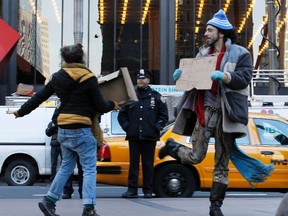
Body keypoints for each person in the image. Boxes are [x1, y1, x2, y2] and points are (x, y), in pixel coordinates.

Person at [159, 9, 253, 216]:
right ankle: (173, 148)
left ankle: (215, 206)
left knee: (222, 162)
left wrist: (224, 76)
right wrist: (181, 76)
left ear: (221, 33)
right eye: (206, 30)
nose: (206, 34)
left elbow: (244, 78)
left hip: (227, 115)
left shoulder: (240, 53)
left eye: (210, 30)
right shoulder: (202, 54)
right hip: (204, 111)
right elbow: (192, 81)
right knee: (195, 156)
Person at [8, 43, 119, 216]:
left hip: (63, 130)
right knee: (89, 168)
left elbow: (39, 97)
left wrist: (20, 112)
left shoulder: (58, 77)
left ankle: (49, 201)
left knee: (66, 166)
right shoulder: (88, 77)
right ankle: (88, 208)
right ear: (82, 58)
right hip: (82, 129)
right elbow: (101, 106)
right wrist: (114, 104)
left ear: (64, 59)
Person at [118, 69, 169, 198]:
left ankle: (148, 190)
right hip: (134, 136)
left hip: (149, 136)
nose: (140, 80)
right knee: (133, 164)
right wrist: (128, 128)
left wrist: (155, 128)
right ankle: (132, 190)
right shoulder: (130, 96)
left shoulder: (156, 97)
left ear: (148, 80)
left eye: (143, 78)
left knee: (148, 164)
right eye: (139, 78)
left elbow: (164, 116)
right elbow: (122, 115)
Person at [45, 109, 62, 183]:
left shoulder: (59, 122)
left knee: (59, 163)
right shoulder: (52, 123)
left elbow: (48, 133)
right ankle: (53, 179)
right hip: (57, 144)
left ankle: (57, 179)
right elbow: (48, 133)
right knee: (54, 163)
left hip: (58, 144)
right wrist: (52, 127)